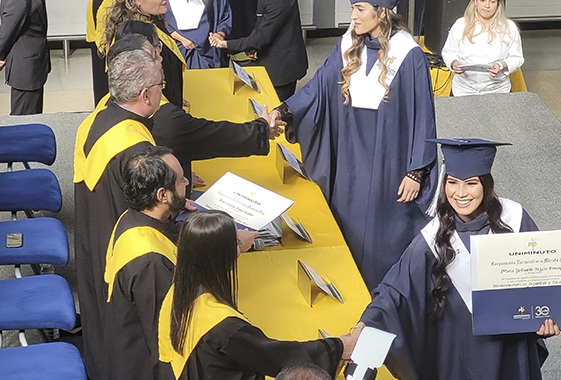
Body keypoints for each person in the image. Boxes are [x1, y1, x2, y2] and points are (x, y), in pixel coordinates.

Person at [357, 138, 561, 380]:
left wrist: (550, 318)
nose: (460, 193)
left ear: (486, 185)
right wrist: (364, 326)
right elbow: (396, 292)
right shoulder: (433, 236)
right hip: (457, 351)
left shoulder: (515, 218)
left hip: (509, 345)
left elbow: (543, 279)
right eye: (453, 182)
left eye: (471, 184)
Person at [269, 0, 438, 290]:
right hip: (349, 160)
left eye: (360, 9)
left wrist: (416, 172)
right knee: (348, 228)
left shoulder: (409, 54)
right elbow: (316, 87)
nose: (352, 16)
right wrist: (283, 111)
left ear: (381, 11)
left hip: (390, 165)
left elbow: (423, 114)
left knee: (382, 241)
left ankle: (384, 302)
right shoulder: (348, 45)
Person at [158, 211, 359, 380]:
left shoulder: (178, 290)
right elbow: (277, 356)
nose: (239, 251)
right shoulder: (225, 327)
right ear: (221, 257)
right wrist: (338, 347)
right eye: (235, 244)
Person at [73, 43, 164, 380]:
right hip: (125, 249)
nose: (161, 91)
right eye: (159, 86)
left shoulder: (100, 116)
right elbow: (155, 207)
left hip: (94, 235)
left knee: (99, 322)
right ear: (145, 94)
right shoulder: (134, 147)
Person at [112, 20, 283, 194]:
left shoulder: (114, 103)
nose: (161, 58)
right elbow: (213, 135)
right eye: (155, 54)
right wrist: (261, 130)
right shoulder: (165, 119)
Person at [102, 146, 188, 380]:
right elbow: (164, 337)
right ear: (162, 195)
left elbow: (170, 233)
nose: (187, 182)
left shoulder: (131, 218)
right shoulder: (150, 263)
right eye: (181, 181)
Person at [210, 0, 308, 101]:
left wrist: (226, 44)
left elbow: (261, 38)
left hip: (283, 67)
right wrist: (251, 46)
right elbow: (261, 26)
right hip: (272, 58)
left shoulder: (279, 2)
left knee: (277, 109)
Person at [101, 0, 187, 108]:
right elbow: (134, 87)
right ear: (137, 1)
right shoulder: (133, 35)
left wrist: (176, 96)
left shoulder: (154, 22)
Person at [441, 0, 524, 96]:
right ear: (475, 1)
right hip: (462, 91)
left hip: (498, 91)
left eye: (492, 2)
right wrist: (453, 63)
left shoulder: (509, 27)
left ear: (498, 4)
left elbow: (517, 58)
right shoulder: (460, 24)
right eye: (483, 0)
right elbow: (448, 52)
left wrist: (502, 65)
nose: (487, 6)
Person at [0, 0, 50, 115]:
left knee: (22, 121)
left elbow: (7, 32)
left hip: (25, 69)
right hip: (32, 64)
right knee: (32, 118)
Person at [165, 0, 232, 69]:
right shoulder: (164, 3)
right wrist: (181, 39)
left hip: (207, 51)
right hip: (177, 51)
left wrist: (220, 34)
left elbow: (224, 17)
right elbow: (158, 22)